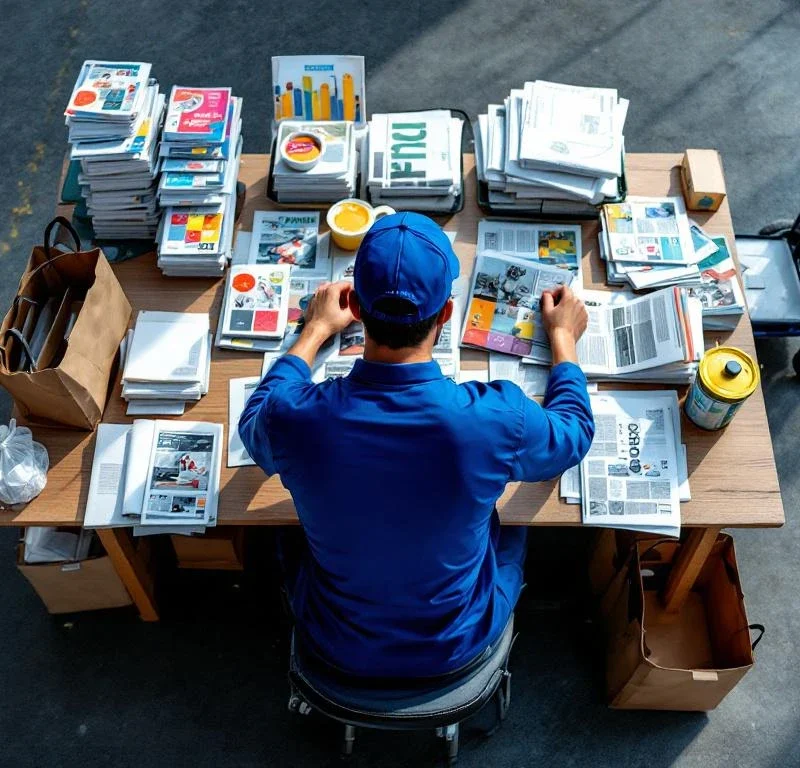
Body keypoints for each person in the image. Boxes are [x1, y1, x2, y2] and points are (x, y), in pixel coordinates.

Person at [239, 212, 594, 678]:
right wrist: (564, 337)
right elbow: (573, 434)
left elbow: (254, 420)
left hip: (336, 640)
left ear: (358, 308)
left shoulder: (297, 416)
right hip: (457, 641)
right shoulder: (495, 418)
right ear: (446, 313)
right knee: (513, 529)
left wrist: (315, 331)